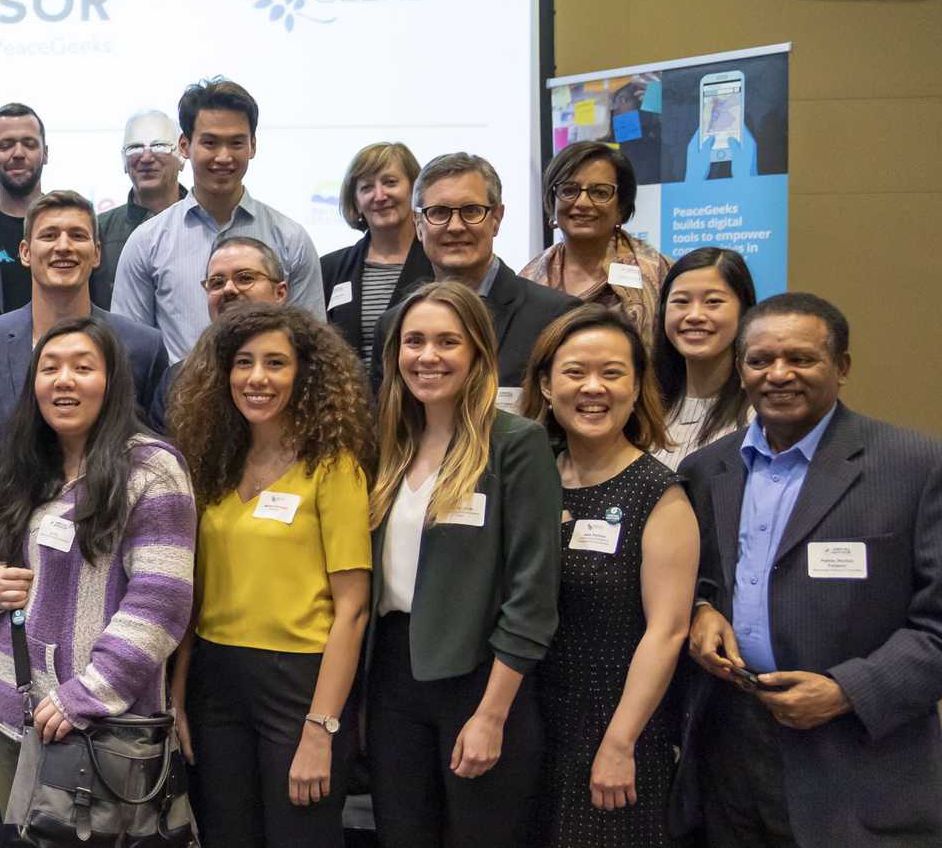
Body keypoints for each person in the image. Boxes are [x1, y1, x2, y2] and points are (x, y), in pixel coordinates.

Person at [679, 293, 942, 847]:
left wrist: (847, 691)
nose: (779, 374)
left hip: (855, 756)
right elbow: (702, 576)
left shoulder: (914, 466)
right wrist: (702, 609)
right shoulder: (706, 470)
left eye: (801, 359)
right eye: (759, 360)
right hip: (729, 746)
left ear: (841, 368)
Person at [164, 304, 374, 847]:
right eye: (243, 363)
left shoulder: (334, 465)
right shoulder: (212, 464)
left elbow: (352, 607)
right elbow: (195, 594)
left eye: (275, 363)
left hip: (299, 685)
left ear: (304, 373)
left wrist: (321, 729)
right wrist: (179, 698)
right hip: (215, 681)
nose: (257, 378)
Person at [365, 280, 562, 848]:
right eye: (414, 341)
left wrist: (492, 715)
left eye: (447, 342)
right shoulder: (388, 443)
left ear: (477, 351)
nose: (427, 357)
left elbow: (533, 595)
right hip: (393, 679)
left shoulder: (516, 444)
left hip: (479, 680)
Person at [0, 317, 196, 806]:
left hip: (101, 727)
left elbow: (162, 604)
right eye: (49, 368)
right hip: (12, 714)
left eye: (82, 367)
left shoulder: (152, 467)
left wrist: (85, 696)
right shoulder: (28, 464)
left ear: (111, 382)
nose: (64, 379)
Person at [518, 306, 698, 847]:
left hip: (615, 727)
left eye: (612, 373)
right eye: (574, 372)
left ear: (638, 385)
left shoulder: (658, 493)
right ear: (546, 386)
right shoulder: (528, 477)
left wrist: (620, 742)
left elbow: (667, 631)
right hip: (527, 721)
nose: (592, 388)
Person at [0, 190, 171, 522]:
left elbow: (154, 464)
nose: (64, 246)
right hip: (11, 556)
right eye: (49, 236)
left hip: (111, 542)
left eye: (78, 236)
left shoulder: (142, 347)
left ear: (96, 254)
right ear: (25, 252)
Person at [112, 76, 325, 362]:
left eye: (236, 143)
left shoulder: (290, 239)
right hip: (176, 404)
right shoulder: (146, 241)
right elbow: (129, 354)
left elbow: (313, 348)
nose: (223, 157)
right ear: (185, 147)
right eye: (210, 143)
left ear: (253, 146)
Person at [378, 152, 579, 396]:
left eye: (471, 211)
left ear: (496, 219)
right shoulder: (393, 326)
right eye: (439, 212)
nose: (455, 227)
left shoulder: (556, 317)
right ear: (419, 225)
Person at [520, 142, 673, 348]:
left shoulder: (660, 273)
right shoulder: (528, 280)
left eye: (600, 193)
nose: (582, 203)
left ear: (621, 207)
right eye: (569, 190)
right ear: (552, 201)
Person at [148, 236, 291, 423]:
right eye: (217, 282)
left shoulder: (310, 367)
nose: (229, 289)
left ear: (279, 293)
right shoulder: (178, 381)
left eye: (245, 278)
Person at [321, 141, 432, 374]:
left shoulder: (439, 264)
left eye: (390, 183)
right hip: (349, 406)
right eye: (366, 188)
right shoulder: (329, 269)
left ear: (415, 191)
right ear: (356, 202)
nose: (379, 196)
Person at [653, 247, 756, 471]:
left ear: (744, 311)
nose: (694, 316)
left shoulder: (760, 414)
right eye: (681, 301)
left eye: (713, 302)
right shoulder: (643, 407)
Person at [92, 109, 187, 310]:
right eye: (135, 148)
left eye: (159, 146)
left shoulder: (207, 221)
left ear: (182, 154)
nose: (146, 157)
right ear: (123, 161)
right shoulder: (98, 230)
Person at [0, 102, 48, 313]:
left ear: (45, 154)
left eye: (29, 144)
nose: (18, 153)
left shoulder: (71, 225)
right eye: (5, 145)